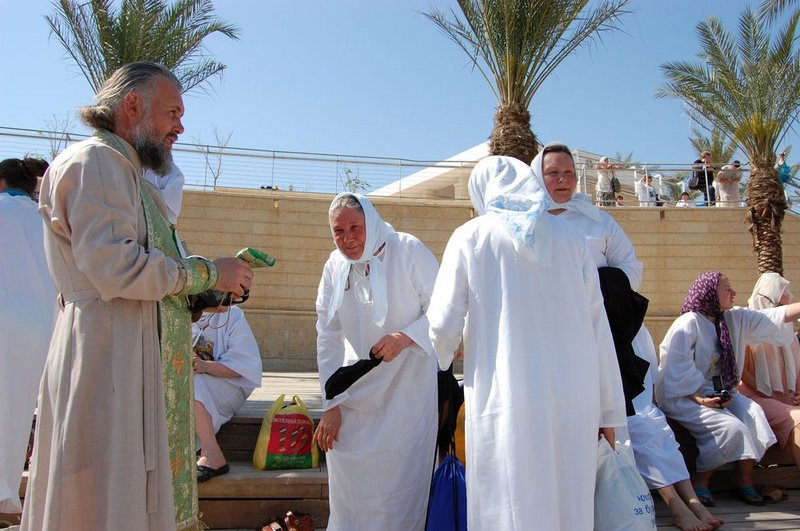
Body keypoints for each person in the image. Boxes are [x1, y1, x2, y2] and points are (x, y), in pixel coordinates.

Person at [21, 62, 253, 531]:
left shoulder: (125, 172)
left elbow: (139, 274)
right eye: (172, 112)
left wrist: (200, 297)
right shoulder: (97, 163)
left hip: (127, 351)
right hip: (107, 353)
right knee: (103, 494)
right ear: (132, 106)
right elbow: (117, 267)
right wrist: (209, 271)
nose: (180, 127)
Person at [529, 143, 722, 531]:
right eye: (553, 173)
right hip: (562, 345)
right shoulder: (530, 224)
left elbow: (630, 267)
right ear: (538, 176)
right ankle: (671, 504)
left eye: (569, 173)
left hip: (615, 336)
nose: (562, 180)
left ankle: (687, 500)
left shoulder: (598, 221)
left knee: (645, 419)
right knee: (607, 424)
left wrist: (596, 290)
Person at [427, 153, 625, 530]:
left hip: (508, 398)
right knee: (568, 501)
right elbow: (599, 329)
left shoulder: (471, 236)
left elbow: (441, 323)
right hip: (575, 400)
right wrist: (609, 412)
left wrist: (444, 356)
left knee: (511, 500)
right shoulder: (573, 239)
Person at [313, 192, 439, 531]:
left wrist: (405, 337)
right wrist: (332, 402)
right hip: (357, 386)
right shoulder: (335, 266)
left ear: (370, 222)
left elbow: (444, 309)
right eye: (338, 231)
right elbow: (327, 335)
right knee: (349, 474)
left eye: (355, 227)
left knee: (399, 480)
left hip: (408, 384)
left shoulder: (408, 250)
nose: (347, 238)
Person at [656, 271, 800, 508]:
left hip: (723, 393)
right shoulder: (689, 322)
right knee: (731, 428)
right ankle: (701, 481)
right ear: (710, 294)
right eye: (727, 289)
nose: (733, 292)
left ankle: (744, 480)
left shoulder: (735, 318)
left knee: (755, 417)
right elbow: (675, 366)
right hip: (685, 394)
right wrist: (700, 398)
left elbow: (776, 315)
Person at [0, 157, 55, 516]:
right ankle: (5, 490)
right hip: (40, 326)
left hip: (4, 315)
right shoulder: (44, 219)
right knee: (16, 408)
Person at [192, 304, 262, 483]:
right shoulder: (173, 313)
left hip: (228, 384)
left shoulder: (231, 315)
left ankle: (211, 453)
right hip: (194, 384)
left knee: (191, 383)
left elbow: (244, 366)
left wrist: (205, 366)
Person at [739, 273, 800, 478]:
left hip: (788, 399)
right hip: (757, 398)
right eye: (785, 291)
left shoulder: (790, 334)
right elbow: (743, 373)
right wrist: (774, 396)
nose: (790, 296)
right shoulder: (748, 330)